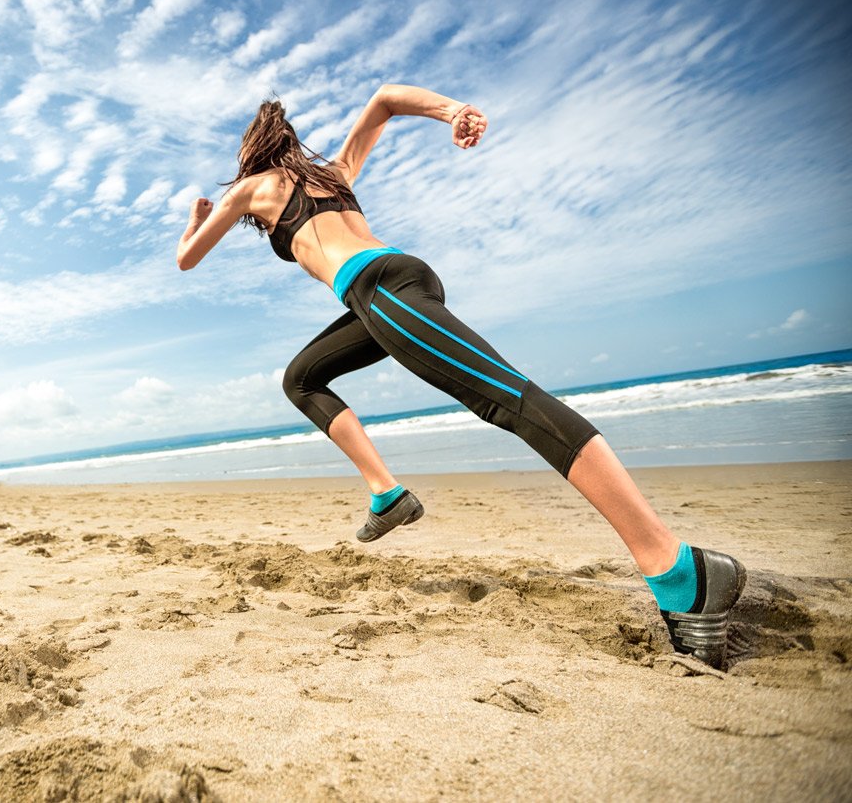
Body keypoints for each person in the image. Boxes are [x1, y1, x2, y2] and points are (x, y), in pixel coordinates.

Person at [174, 84, 746, 669]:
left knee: (511, 401)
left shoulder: (252, 187)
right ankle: (387, 494)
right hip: (395, 285)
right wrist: (456, 112)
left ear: (252, 155)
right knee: (302, 378)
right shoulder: (336, 174)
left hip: (378, 291)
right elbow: (385, 101)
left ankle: (678, 570)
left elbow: (187, 259)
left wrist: (195, 221)